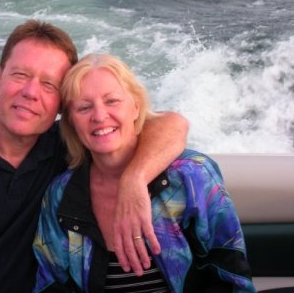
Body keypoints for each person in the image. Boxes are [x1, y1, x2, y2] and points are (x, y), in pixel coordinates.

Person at [0, 20, 188, 293]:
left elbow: (172, 124)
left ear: (60, 105)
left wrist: (134, 180)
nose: (31, 92)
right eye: (20, 75)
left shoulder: (69, 145)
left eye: (48, 84)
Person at [33, 53, 256, 293]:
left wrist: (134, 179)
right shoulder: (61, 195)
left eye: (112, 101)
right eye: (84, 107)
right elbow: (50, 284)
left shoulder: (192, 177)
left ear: (136, 107)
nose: (99, 116)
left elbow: (230, 278)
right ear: (71, 124)